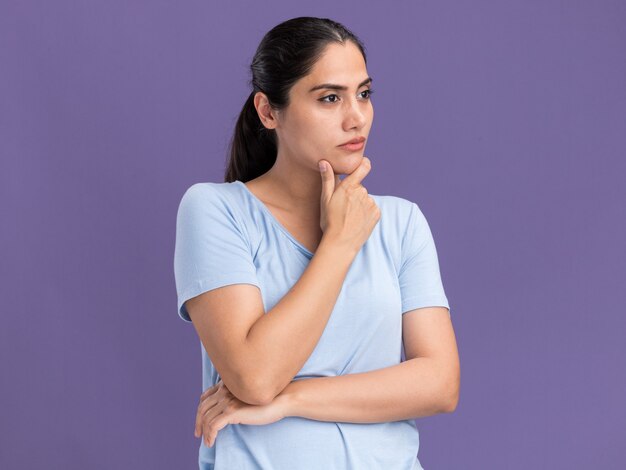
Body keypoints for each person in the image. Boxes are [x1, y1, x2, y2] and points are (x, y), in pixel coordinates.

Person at [174, 16, 460, 470]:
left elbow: (440, 384)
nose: (356, 117)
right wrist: (340, 245)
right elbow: (255, 377)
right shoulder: (215, 211)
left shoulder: (401, 222)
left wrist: (290, 401)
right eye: (330, 98)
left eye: (363, 94)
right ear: (268, 111)